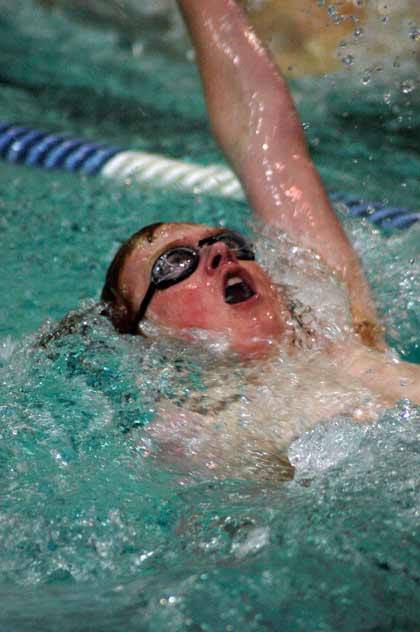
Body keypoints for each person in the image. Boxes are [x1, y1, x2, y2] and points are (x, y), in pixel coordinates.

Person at [100, 0, 420, 480]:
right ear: (147, 334)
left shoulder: (340, 325)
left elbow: (265, 139)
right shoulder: (197, 438)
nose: (218, 252)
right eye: (175, 262)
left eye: (227, 241)